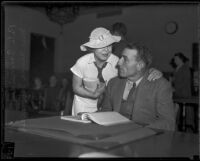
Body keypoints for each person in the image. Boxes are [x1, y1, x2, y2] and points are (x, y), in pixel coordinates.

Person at [71, 27, 163, 116]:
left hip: (107, 107)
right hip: (84, 105)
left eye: (109, 45)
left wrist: (151, 71)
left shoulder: (117, 61)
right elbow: (76, 87)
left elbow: (135, 70)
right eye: (101, 46)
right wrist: (94, 95)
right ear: (92, 49)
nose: (106, 50)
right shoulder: (82, 62)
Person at [101, 42, 176, 131]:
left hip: (145, 138)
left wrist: (139, 130)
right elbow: (105, 111)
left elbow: (168, 122)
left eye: (125, 59)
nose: (119, 62)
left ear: (139, 65)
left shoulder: (160, 86)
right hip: (115, 135)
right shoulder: (113, 83)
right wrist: (87, 116)